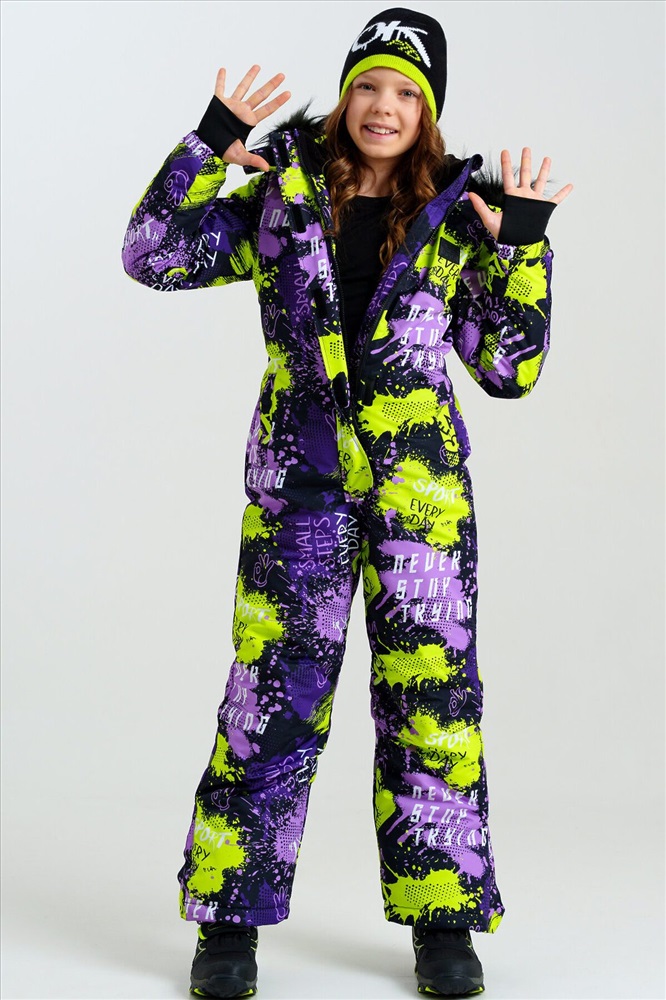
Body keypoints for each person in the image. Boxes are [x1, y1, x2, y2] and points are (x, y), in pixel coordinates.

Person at [122, 8, 572, 997]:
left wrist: (525, 247)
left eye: (406, 92)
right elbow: (152, 253)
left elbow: (510, 369)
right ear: (345, 94)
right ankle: (228, 925)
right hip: (301, 495)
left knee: (431, 707)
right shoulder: (281, 198)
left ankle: (443, 924)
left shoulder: (463, 216)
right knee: (269, 704)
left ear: (429, 111)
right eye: (368, 84)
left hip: (422, 506)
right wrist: (208, 144)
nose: (383, 106)